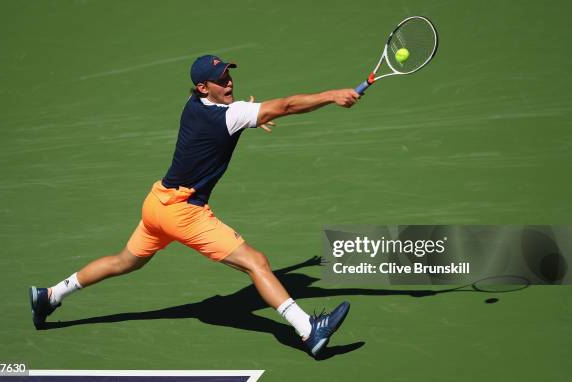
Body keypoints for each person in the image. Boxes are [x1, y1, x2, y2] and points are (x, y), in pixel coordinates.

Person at [30, 55, 360, 357]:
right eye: (220, 80)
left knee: (123, 261)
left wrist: (249, 114)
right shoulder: (232, 116)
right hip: (184, 213)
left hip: (156, 204)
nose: (229, 83)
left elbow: (233, 115)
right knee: (256, 262)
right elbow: (286, 106)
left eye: (229, 76)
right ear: (204, 86)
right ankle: (309, 331)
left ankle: (51, 295)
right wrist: (332, 95)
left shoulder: (193, 104)